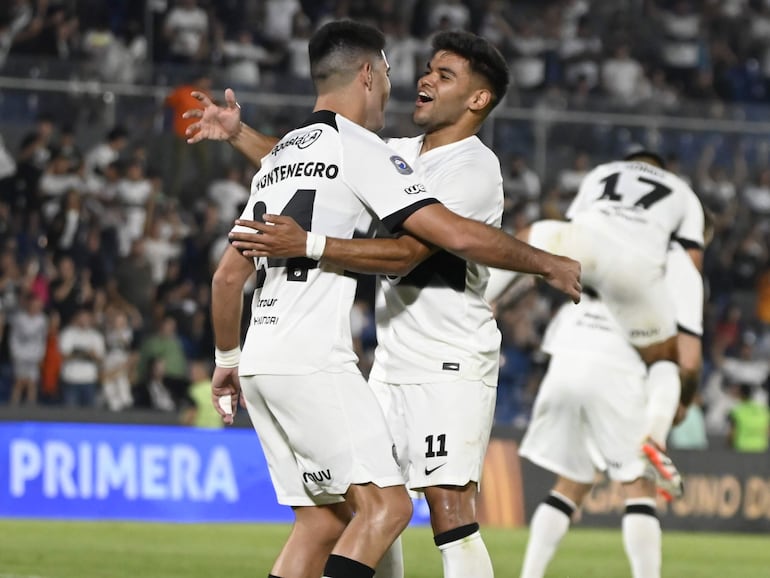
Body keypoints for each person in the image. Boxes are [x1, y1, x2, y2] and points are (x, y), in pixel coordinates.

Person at [197, 20, 581, 578]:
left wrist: (546, 263)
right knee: (373, 507)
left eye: (444, 75)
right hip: (387, 363)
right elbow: (313, 170)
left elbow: (409, 253)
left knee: (445, 508)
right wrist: (240, 136)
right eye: (427, 69)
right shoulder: (392, 151)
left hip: (448, 357)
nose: (424, 80)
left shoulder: (474, 166)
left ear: (478, 98)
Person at [501, 236, 706, 578]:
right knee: (638, 485)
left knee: (570, 483)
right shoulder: (669, 269)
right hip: (615, 361)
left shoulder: (605, 245)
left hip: (568, 352)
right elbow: (680, 355)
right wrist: (670, 407)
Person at [515, 151, 705, 475]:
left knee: (519, 245)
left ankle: (479, 305)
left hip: (579, 292)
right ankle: (656, 436)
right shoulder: (681, 195)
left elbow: (572, 232)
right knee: (665, 362)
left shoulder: (602, 171)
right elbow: (690, 265)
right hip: (634, 280)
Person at [727, 383, 770, 452]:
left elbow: (732, 433)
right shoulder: (764, 410)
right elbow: (767, 432)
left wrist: (728, 444)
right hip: (761, 447)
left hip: (741, 447)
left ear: (740, 394)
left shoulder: (736, 411)